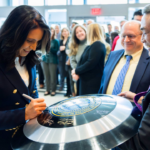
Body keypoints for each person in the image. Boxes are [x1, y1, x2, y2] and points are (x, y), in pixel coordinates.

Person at [0, 5, 50, 150]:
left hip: (25, 138)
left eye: (37, 42)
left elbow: (30, 94)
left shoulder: (29, 58)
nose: (34, 47)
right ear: (13, 33)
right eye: (29, 40)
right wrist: (24, 113)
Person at [116, 4, 150, 150]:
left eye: (146, 32)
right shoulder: (113, 57)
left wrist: (102, 135)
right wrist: (140, 99)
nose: (144, 40)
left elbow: (142, 143)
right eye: (123, 36)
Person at [99, 20, 150, 97]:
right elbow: (102, 85)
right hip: (107, 107)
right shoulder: (112, 55)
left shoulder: (148, 59)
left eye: (131, 36)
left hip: (135, 108)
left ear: (142, 36)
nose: (126, 40)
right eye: (123, 36)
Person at [72, 23, 106, 95]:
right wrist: (75, 71)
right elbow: (82, 61)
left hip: (91, 82)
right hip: (86, 81)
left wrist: (76, 71)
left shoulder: (98, 44)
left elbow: (90, 63)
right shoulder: (91, 45)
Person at [68, 24, 87, 96]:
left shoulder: (91, 44)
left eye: (80, 31)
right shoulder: (74, 45)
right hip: (78, 76)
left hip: (89, 77)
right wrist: (77, 71)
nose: (79, 33)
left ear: (85, 31)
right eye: (77, 32)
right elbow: (72, 61)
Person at [42, 27, 59, 96]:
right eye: (49, 31)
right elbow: (42, 49)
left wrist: (49, 47)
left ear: (53, 32)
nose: (50, 32)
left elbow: (56, 51)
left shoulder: (56, 41)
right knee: (46, 76)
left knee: (53, 76)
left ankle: (53, 90)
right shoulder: (44, 40)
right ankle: (47, 90)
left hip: (53, 60)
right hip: (45, 59)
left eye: (52, 31)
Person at [57, 27, 70, 92]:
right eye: (63, 31)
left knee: (67, 73)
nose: (64, 32)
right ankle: (61, 86)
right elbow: (57, 50)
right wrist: (59, 49)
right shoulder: (60, 40)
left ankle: (68, 89)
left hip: (67, 58)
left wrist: (65, 48)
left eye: (66, 31)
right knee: (61, 73)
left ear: (68, 32)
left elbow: (70, 48)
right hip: (61, 58)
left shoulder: (70, 39)